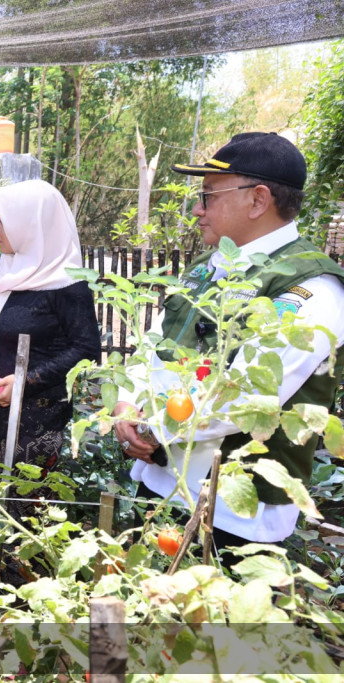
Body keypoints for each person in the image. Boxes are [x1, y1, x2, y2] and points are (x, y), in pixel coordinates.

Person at [114, 132, 344, 548]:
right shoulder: (209, 266)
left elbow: (245, 399)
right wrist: (127, 401)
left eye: (209, 196)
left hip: (235, 510)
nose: (197, 211)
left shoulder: (310, 287)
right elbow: (156, 340)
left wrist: (149, 427)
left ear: (258, 200)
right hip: (162, 477)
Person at [0, 180, 101, 494]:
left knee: (25, 507)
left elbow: (86, 349)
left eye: (2, 221)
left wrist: (26, 381)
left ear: (32, 225)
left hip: (34, 418)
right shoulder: (4, 273)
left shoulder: (67, 284)